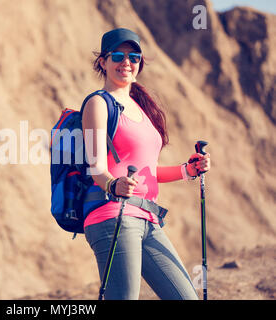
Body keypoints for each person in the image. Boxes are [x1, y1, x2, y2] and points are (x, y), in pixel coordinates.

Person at [81, 28, 211, 300]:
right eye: (117, 55)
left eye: (134, 57)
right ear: (103, 62)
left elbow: (147, 172)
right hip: (113, 215)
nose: (126, 62)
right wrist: (113, 184)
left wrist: (188, 170)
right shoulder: (98, 104)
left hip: (149, 219)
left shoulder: (140, 107)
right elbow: (95, 167)